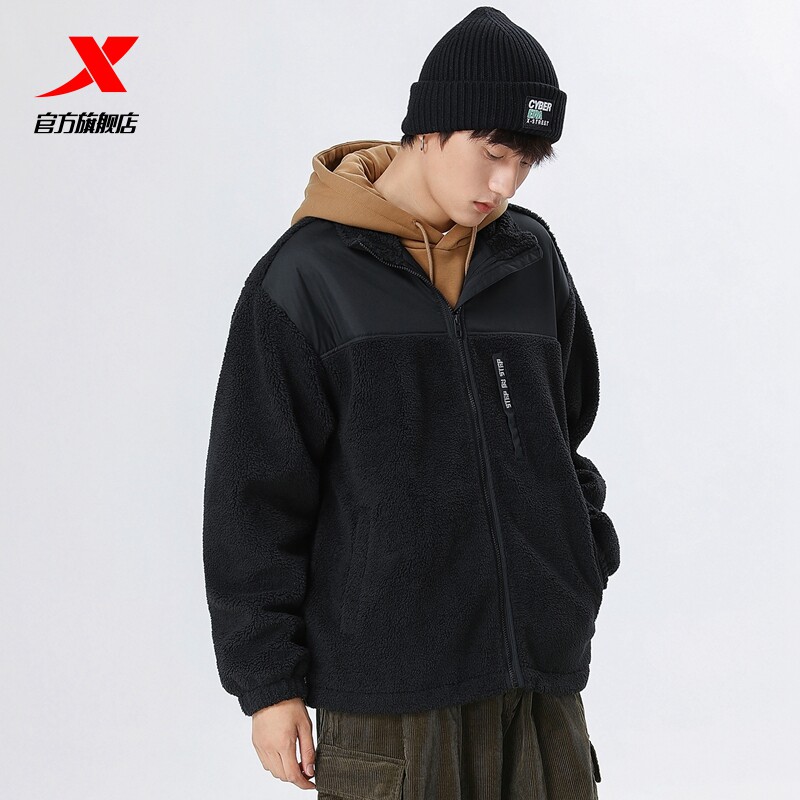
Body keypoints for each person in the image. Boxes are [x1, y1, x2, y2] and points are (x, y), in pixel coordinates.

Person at [202, 6, 620, 798]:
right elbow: (251, 497)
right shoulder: (306, 278)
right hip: (390, 695)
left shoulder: (529, 256)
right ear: (429, 129)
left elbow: (565, 434)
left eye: (526, 162)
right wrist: (268, 685)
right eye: (492, 152)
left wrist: (577, 560)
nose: (504, 184)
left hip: (538, 681)